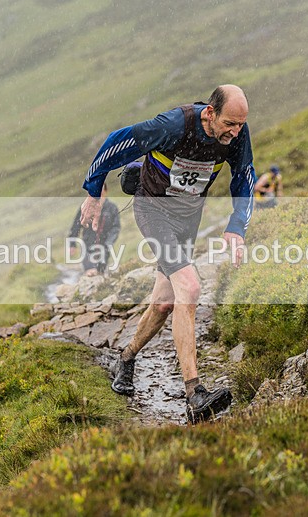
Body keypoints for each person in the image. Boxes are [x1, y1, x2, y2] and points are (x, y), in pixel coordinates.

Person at [79, 84, 255, 424]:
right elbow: (119, 141)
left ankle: (126, 358)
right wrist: (94, 189)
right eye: (229, 124)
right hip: (153, 211)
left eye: (240, 126)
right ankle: (194, 394)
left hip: (187, 219)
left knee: (164, 303)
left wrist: (237, 225)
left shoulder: (236, 134)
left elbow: (244, 177)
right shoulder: (175, 125)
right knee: (188, 288)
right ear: (209, 113)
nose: (235, 133)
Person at [68, 182, 121, 276]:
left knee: (100, 271)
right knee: (89, 271)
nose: (99, 191)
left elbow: (116, 227)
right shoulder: (86, 207)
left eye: (101, 189)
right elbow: (76, 225)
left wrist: (109, 242)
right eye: (96, 189)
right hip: (88, 243)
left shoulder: (112, 208)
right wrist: (72, 243)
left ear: (105, 191)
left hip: (104, 244)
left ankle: (100, 287)